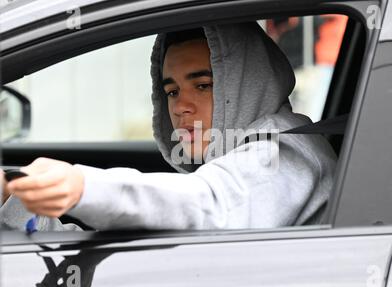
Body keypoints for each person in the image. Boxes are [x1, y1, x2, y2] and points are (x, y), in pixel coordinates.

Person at [0, 22, 337, 232]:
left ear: (247, 84)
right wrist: (12, 202)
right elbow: (114, 265)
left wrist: (82, 186)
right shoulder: (241, 158)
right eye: (172, 91)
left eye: (203, 85)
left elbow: (208, 205)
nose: (179, 106)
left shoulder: (281, 155)